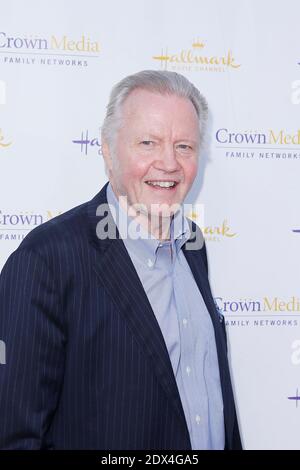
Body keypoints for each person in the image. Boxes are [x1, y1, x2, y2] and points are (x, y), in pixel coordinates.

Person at [0, 70, 241, 450]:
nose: (168, 163)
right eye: (148, 142)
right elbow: (15, 436)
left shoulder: (193, 244)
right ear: (109, 152)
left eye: (184, 147)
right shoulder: (47, 261)